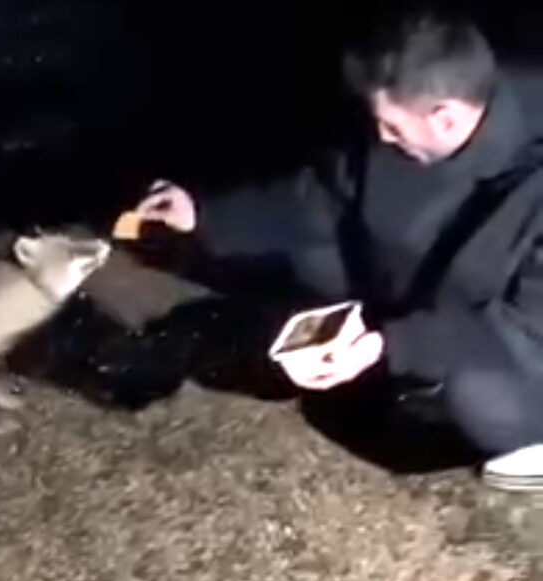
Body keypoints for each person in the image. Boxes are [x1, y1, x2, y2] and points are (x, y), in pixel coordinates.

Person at [131, 7, 543, 492]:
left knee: (481, 398)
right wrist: (202, 213)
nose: (381, 138)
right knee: (310, 259)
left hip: (519, 329)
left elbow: (526, 327)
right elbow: (316, 200)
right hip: (438, 283)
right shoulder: (403, 136)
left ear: (446, 118)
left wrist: (391, 344)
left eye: (392, 126)